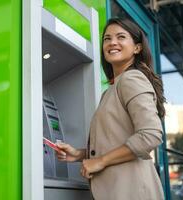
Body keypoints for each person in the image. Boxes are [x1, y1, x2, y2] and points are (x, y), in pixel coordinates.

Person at [56, 18, 166, 200]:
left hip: (131, 191)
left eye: (121, 37)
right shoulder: (111, 91)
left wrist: (99, 161)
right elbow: (116, 141)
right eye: (107, 38)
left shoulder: (131, 79)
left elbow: (151, 135)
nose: (112, 42)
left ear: (137, 48)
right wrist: (78, 154)